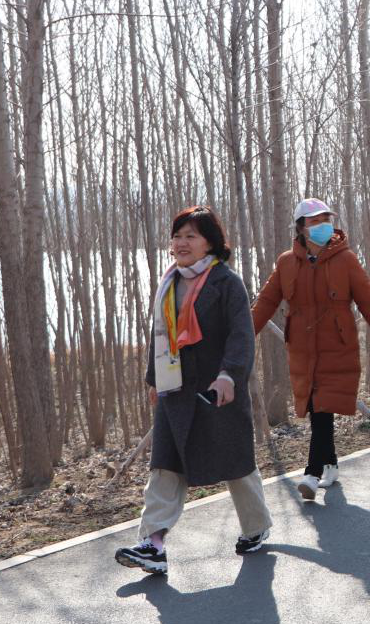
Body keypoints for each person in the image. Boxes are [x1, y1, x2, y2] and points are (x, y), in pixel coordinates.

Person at [116, 206, 271, 575]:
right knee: (165, 464)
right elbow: (160, 335)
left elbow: (241, 336)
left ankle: (256, 527)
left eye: (191, 236)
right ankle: (153, 544)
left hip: (217, 389)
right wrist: (154, 380)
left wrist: (229, 376)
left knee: (236, 463)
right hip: (176, 390)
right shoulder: (169, 281)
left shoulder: (227, 282)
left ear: (209, 243)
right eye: (177, 236)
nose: (181, 243)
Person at [251, 198, 370, 501]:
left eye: (325, 220)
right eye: (314, 221)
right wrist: (240, 336)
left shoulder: (346, 260)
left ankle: (312, 472)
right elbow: (265, 303)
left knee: (322, 407)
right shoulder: (287, 262)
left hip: (337, 347)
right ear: (301, 228)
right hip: (302, 350)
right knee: (318, 408)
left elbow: (368, 301)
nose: (322, 226)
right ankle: (330, 464)